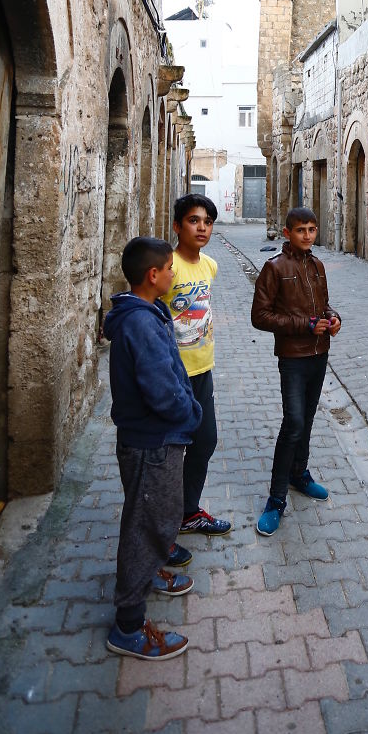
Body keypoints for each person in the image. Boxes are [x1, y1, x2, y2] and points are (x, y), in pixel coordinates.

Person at [104, 237, 202, 660]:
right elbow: (161, 391)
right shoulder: (140, 324)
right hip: (153, 441)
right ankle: (128, 625)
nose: (173, 273)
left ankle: (147, 573)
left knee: (149, 516)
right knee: (150, 522)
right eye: (168, 268)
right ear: (153, 275)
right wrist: (190, 413)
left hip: (150, 439)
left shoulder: (145, 313)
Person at [251, 206, 341, 536]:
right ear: (288, 233)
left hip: (319, 355)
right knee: (294, 423)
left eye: (312, 230)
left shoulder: (317, 265)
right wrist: (305, 325)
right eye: (301, 230)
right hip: (293, 357)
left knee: (308, 421)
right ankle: (276, 500)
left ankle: (299, 474)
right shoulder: (274, 268)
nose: (307, 235)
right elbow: (260, 316)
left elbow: (323, 305)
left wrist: (333, 319)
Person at [161, 193, 232, 540]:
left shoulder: (209, 266)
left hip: (203, 369)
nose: (202, 227)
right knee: (171, 451)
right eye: (193, 220)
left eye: (207, 221)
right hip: (173, 375)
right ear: (177, 226)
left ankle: (188, 512)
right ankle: (163, 524)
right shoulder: (167, 267)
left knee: (205, 442)